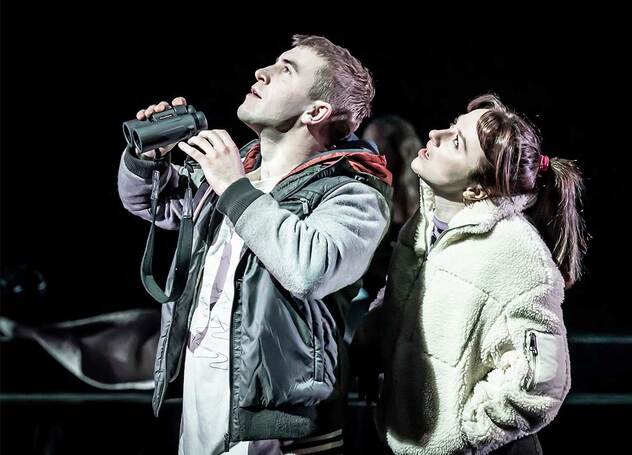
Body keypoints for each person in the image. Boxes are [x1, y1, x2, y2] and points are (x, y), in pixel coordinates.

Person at [118, 35, 392, 454]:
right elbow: (150, 204)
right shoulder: (236, 171)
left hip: (275, 426)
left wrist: (232, 185)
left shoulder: (352, 194)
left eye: (286, 69)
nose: (261, 73)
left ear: (316, 111)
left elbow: (309, 268)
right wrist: (148, 160)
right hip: (204, 403)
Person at [353, 94, 587, 454]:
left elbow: (543, 382)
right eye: (450, 126)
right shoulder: (424, 224)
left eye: (456, 141)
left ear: (477, 189)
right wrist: (371, 342)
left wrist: (468, 433)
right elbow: (405, 298)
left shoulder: (516, 252)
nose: (434, 133)